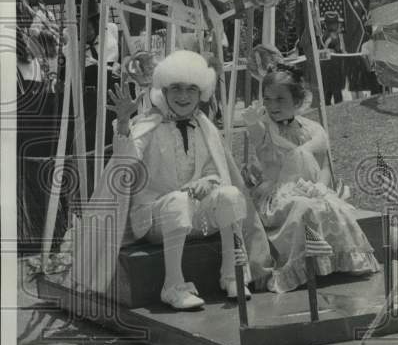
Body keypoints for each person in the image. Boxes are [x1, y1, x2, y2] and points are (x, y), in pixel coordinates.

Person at [73, 49, 272, 310]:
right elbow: (125, 161)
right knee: (178, 201)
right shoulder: (148, 124)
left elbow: (217, 169)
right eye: (176, 88)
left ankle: (231, 274)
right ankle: (173, 286)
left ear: (201, 92)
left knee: (231, 195)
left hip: (195, 215)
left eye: (191, 89)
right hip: (153, 218)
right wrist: (123, 123)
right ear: (163, 91)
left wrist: (208, 181)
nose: (183, 96)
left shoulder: (204, 125)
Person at [241, 68, 380, 293]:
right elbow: (262, 149)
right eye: (267, 98)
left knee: (328, 204)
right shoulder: (266, 129)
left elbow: (323, 165)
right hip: (277, 194)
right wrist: (252, 123)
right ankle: (299, 267)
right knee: (302, 208)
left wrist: (321, 189)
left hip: (308, 186)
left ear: (296, 101)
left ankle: (336, 261)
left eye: (280, 99)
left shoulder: (312, 130)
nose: (272, 105)